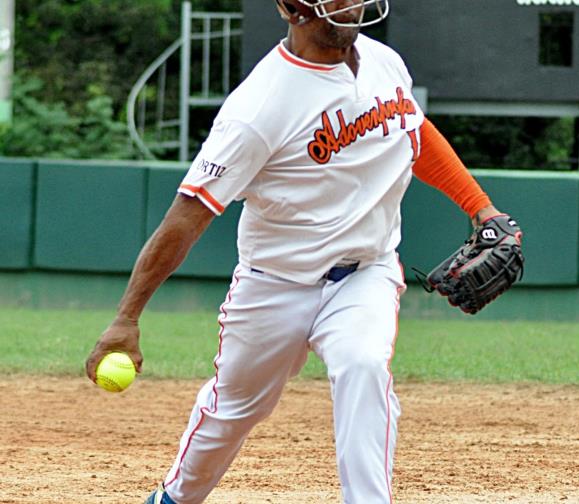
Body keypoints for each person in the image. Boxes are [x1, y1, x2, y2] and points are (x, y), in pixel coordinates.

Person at [84, 1, 515, 502]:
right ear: (292, 7)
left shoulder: (383, 61)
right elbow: (187, 216)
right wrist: (126, 317)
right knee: (234, 409)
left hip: (365, 272)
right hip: (274, 283)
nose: (353, 2)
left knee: (363, 367)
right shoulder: (259, 108)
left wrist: (480, 206)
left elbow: (413, 131)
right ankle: (174, 497)